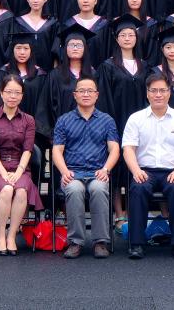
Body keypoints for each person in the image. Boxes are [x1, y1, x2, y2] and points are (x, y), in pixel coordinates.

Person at [123, 73, 174, 260]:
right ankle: (137, 244)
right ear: (147, 93)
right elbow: (128, 149)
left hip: (173, 170)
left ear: (169, 92)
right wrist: (136, 171)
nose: (158, 94)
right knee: (138, 188)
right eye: (154, 90)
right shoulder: (136, 118)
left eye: (162, 90)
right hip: (145, 170)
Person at [53, 76, 121, 259]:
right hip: (72, 172)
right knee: (74, 190)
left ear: (97, 95)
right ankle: (75, 242)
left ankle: (100, 242)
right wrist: (64, 171)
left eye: (90, 91)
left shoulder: (107, 120)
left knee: (98, 189)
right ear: (74, 95)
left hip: (97, 172)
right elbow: (57, 150)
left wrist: (106, 169)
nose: (85, 94)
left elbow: (114, 149)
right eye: (81, 91)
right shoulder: (64, 120)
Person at [0, 75, 43, 255]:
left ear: (22, 95)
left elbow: (28, 149)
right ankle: (0, 235)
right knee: (7, 189)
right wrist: (4, 174)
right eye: (8, 92)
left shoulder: (28, 120)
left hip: (20, 167)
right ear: (1, 93)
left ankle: (11, 235)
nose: (12, 96)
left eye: (17, 92)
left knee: (22, 190)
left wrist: (18, 172)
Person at [0, 32, 48, 140]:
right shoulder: (2, 73)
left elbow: (43, 106)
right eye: (18, 48)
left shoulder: (40, 75)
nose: (22, 52)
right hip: (5, 130)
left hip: (33, 131)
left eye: (26, 48)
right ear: (12, 50)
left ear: (31, 51)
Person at [44, 24, 98, 132]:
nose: (75, 48)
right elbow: (47, 106)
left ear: (85, 49)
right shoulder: (55, 75)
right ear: (65, 49)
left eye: (79, 45)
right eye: (71, 45)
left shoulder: (93, 74)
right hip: (62, 132)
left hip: (89, 131)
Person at [58, 0, 111, 69]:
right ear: (77, 0)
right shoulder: (68, 24)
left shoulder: (105, 25)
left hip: (99, 73)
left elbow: (108, 52)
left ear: (96, 1)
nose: (85, 1)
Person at [10, 0, 57, 72]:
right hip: (23, 70)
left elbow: (56, 49)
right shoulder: (18, 22)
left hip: (47, 69)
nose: (35, 0)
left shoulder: (53, 23)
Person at [116, 0, 161, 65]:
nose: (134, 0)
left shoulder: (151, 23)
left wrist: (144, 69)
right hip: (119, 68)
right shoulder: (117, 22)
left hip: (144, 69)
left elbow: (153, 54)